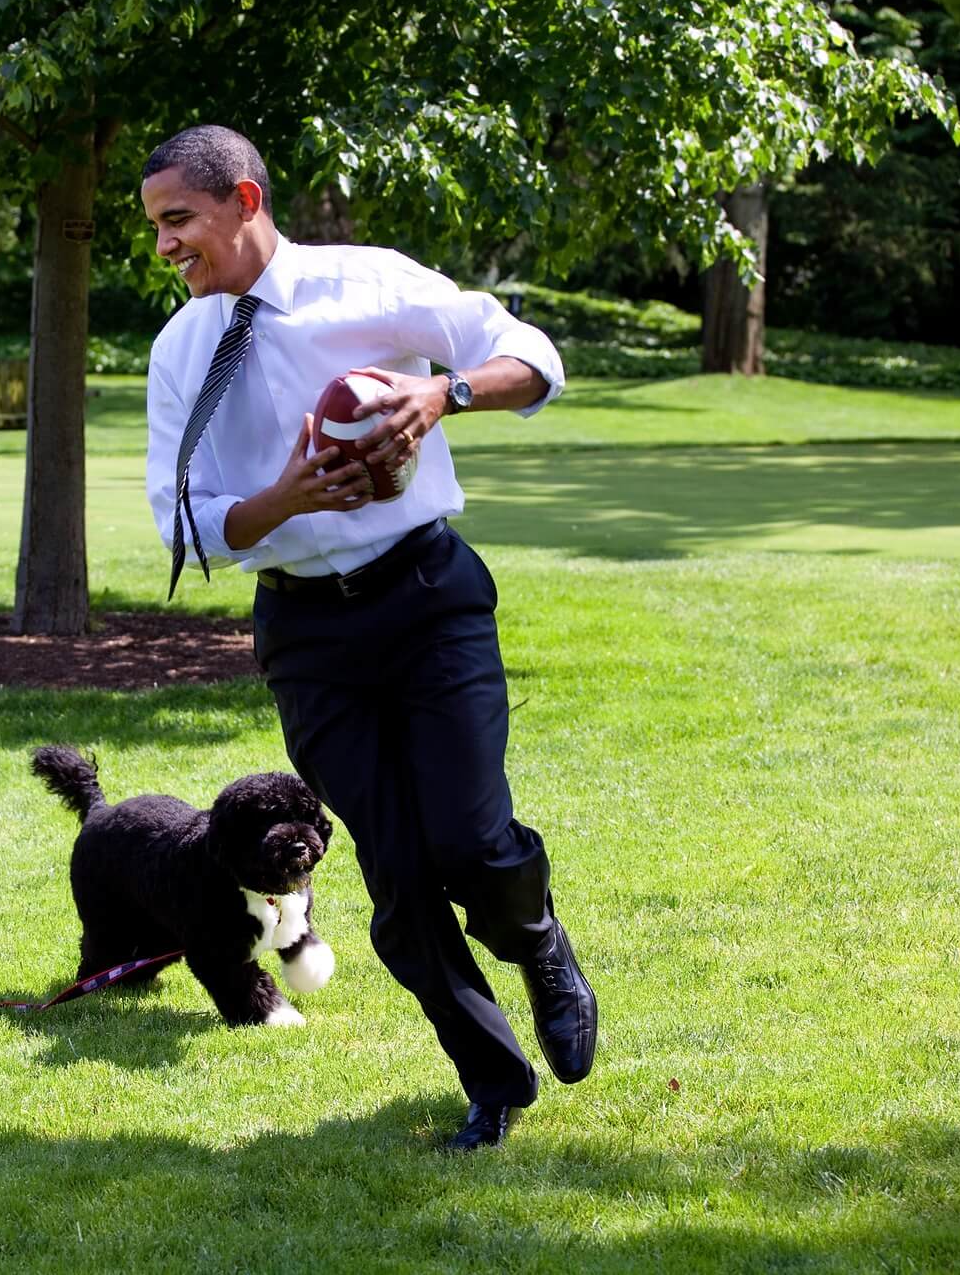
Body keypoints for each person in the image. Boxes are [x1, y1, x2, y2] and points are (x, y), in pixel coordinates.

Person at [140, 124, 596, 1152]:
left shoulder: (369, 284)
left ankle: (540, 942)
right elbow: (183, 520)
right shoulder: (181, 351)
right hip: (307, 634)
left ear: (245, 204)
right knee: (395, 876)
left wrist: (444, 392)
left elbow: (536, 355)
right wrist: (282, 498)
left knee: (472, 845)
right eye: (156, 228)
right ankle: (492, 1083)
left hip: (428, 597)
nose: (166, 246)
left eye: (180, 221)